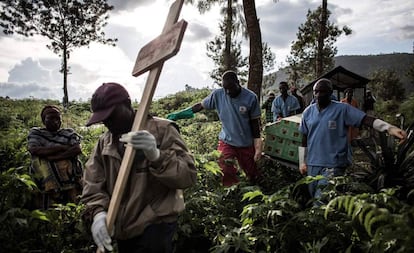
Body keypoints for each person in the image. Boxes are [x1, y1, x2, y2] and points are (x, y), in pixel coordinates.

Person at [81, 82, 197, 253]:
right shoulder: (104, 142)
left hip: (155, 224)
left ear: (128, 105)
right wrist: (98, 212)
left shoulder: (162, 130)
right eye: (103, 119)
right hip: (123, 228)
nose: (108, 123)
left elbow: (187, 176)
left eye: (112, 115)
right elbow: (92, 183)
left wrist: (156, 156)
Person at [298, 78, 407, 201]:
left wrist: (389, 128)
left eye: (322, 92)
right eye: (316, 91)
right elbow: (304, 137)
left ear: (330, 92)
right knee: (314, 197)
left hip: (334, 163)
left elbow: (365, 119)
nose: (318, 95)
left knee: (323, 199)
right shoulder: (308, 112)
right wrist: (302, 161)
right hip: (313, 163)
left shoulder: (342, 109)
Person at [167, 70, 262, 187]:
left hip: (245, 143)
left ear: (238, 83)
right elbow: (200, 106)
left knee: (252, 173)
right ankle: (231, 191)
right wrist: (180, 114)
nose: (227, 92)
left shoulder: (251, 98)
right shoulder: (218, 94)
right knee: (225, 169)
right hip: (227, 141)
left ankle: (254, 191)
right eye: (225, 88)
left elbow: (255, 125)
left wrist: (257, 147)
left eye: (231, 88)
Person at [27, 105, 83, 209]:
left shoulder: (68, 133)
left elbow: (77, 149)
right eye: (51, 118)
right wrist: (62, 148)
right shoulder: (36, 133)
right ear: (44, 120)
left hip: (69, 177)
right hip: (45, 178)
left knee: (72, 207)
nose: (55, 121)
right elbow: (34, 150)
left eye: (58, 119)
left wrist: (56, 157)